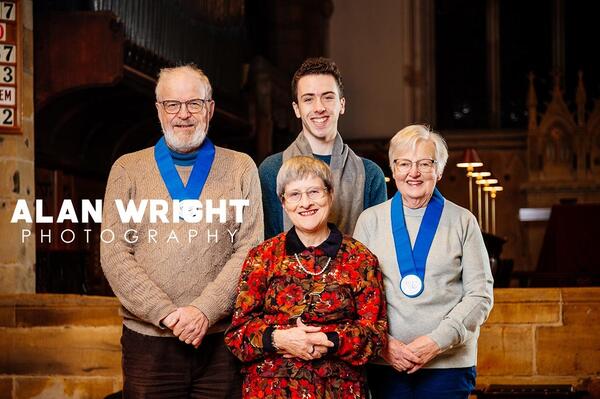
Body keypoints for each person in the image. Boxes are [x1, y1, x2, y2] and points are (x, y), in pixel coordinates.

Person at [100, 64, 263, 398]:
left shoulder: (241, 167)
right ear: (159, 110)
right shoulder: (127, 169)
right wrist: (167, 314)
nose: (183, 114)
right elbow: (114, 252)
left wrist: (204, 310)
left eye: (195, 104)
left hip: (221, 341)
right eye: (172, 104)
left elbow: (250, 249)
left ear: (211, 108)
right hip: (149, 343)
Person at [225, 156, 388, 398]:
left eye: (314, 192)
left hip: (338, 390)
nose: (305, 203)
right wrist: (280, 338)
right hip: (271, 389)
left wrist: (328, 339)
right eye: (294, 194)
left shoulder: (361, 258)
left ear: (330, 195)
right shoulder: (262, 256)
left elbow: (376, 337)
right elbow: (237, 335)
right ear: (283, 202)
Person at [353, 125, 494, 399]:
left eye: (424, 163)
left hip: (448, 366)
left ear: (439, 170)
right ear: (394, 170)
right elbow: (357, 294)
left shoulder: (463, 221)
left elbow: (480, 295)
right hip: (386, 363)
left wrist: (436, 341)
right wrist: (383, 344)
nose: (413, 172)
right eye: (404, 163)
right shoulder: (370, 221)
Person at [259, 57, 387, 239]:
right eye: (308, 99)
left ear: (342, 104)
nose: (319, 107)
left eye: (328, 97)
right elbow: (267, 245)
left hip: (354, 267)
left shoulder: (370, 175)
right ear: (296, 108)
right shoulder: (271, 170)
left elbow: (376, 248)